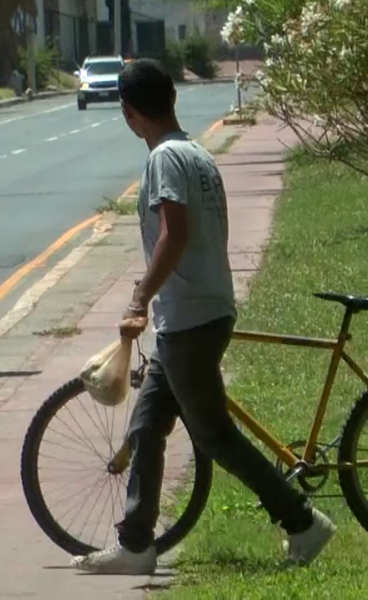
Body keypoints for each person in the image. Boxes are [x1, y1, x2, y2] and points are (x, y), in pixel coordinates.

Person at [71, 58, 336, 575]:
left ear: (129, 114)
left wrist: (139, 297)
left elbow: (176, 232)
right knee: (147, 427)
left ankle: (302, 521)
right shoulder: (197, 154)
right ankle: (136, 545)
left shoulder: (165, 159)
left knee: (215, 435)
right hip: (195, 314)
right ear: (172, 98)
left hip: (190, 318)